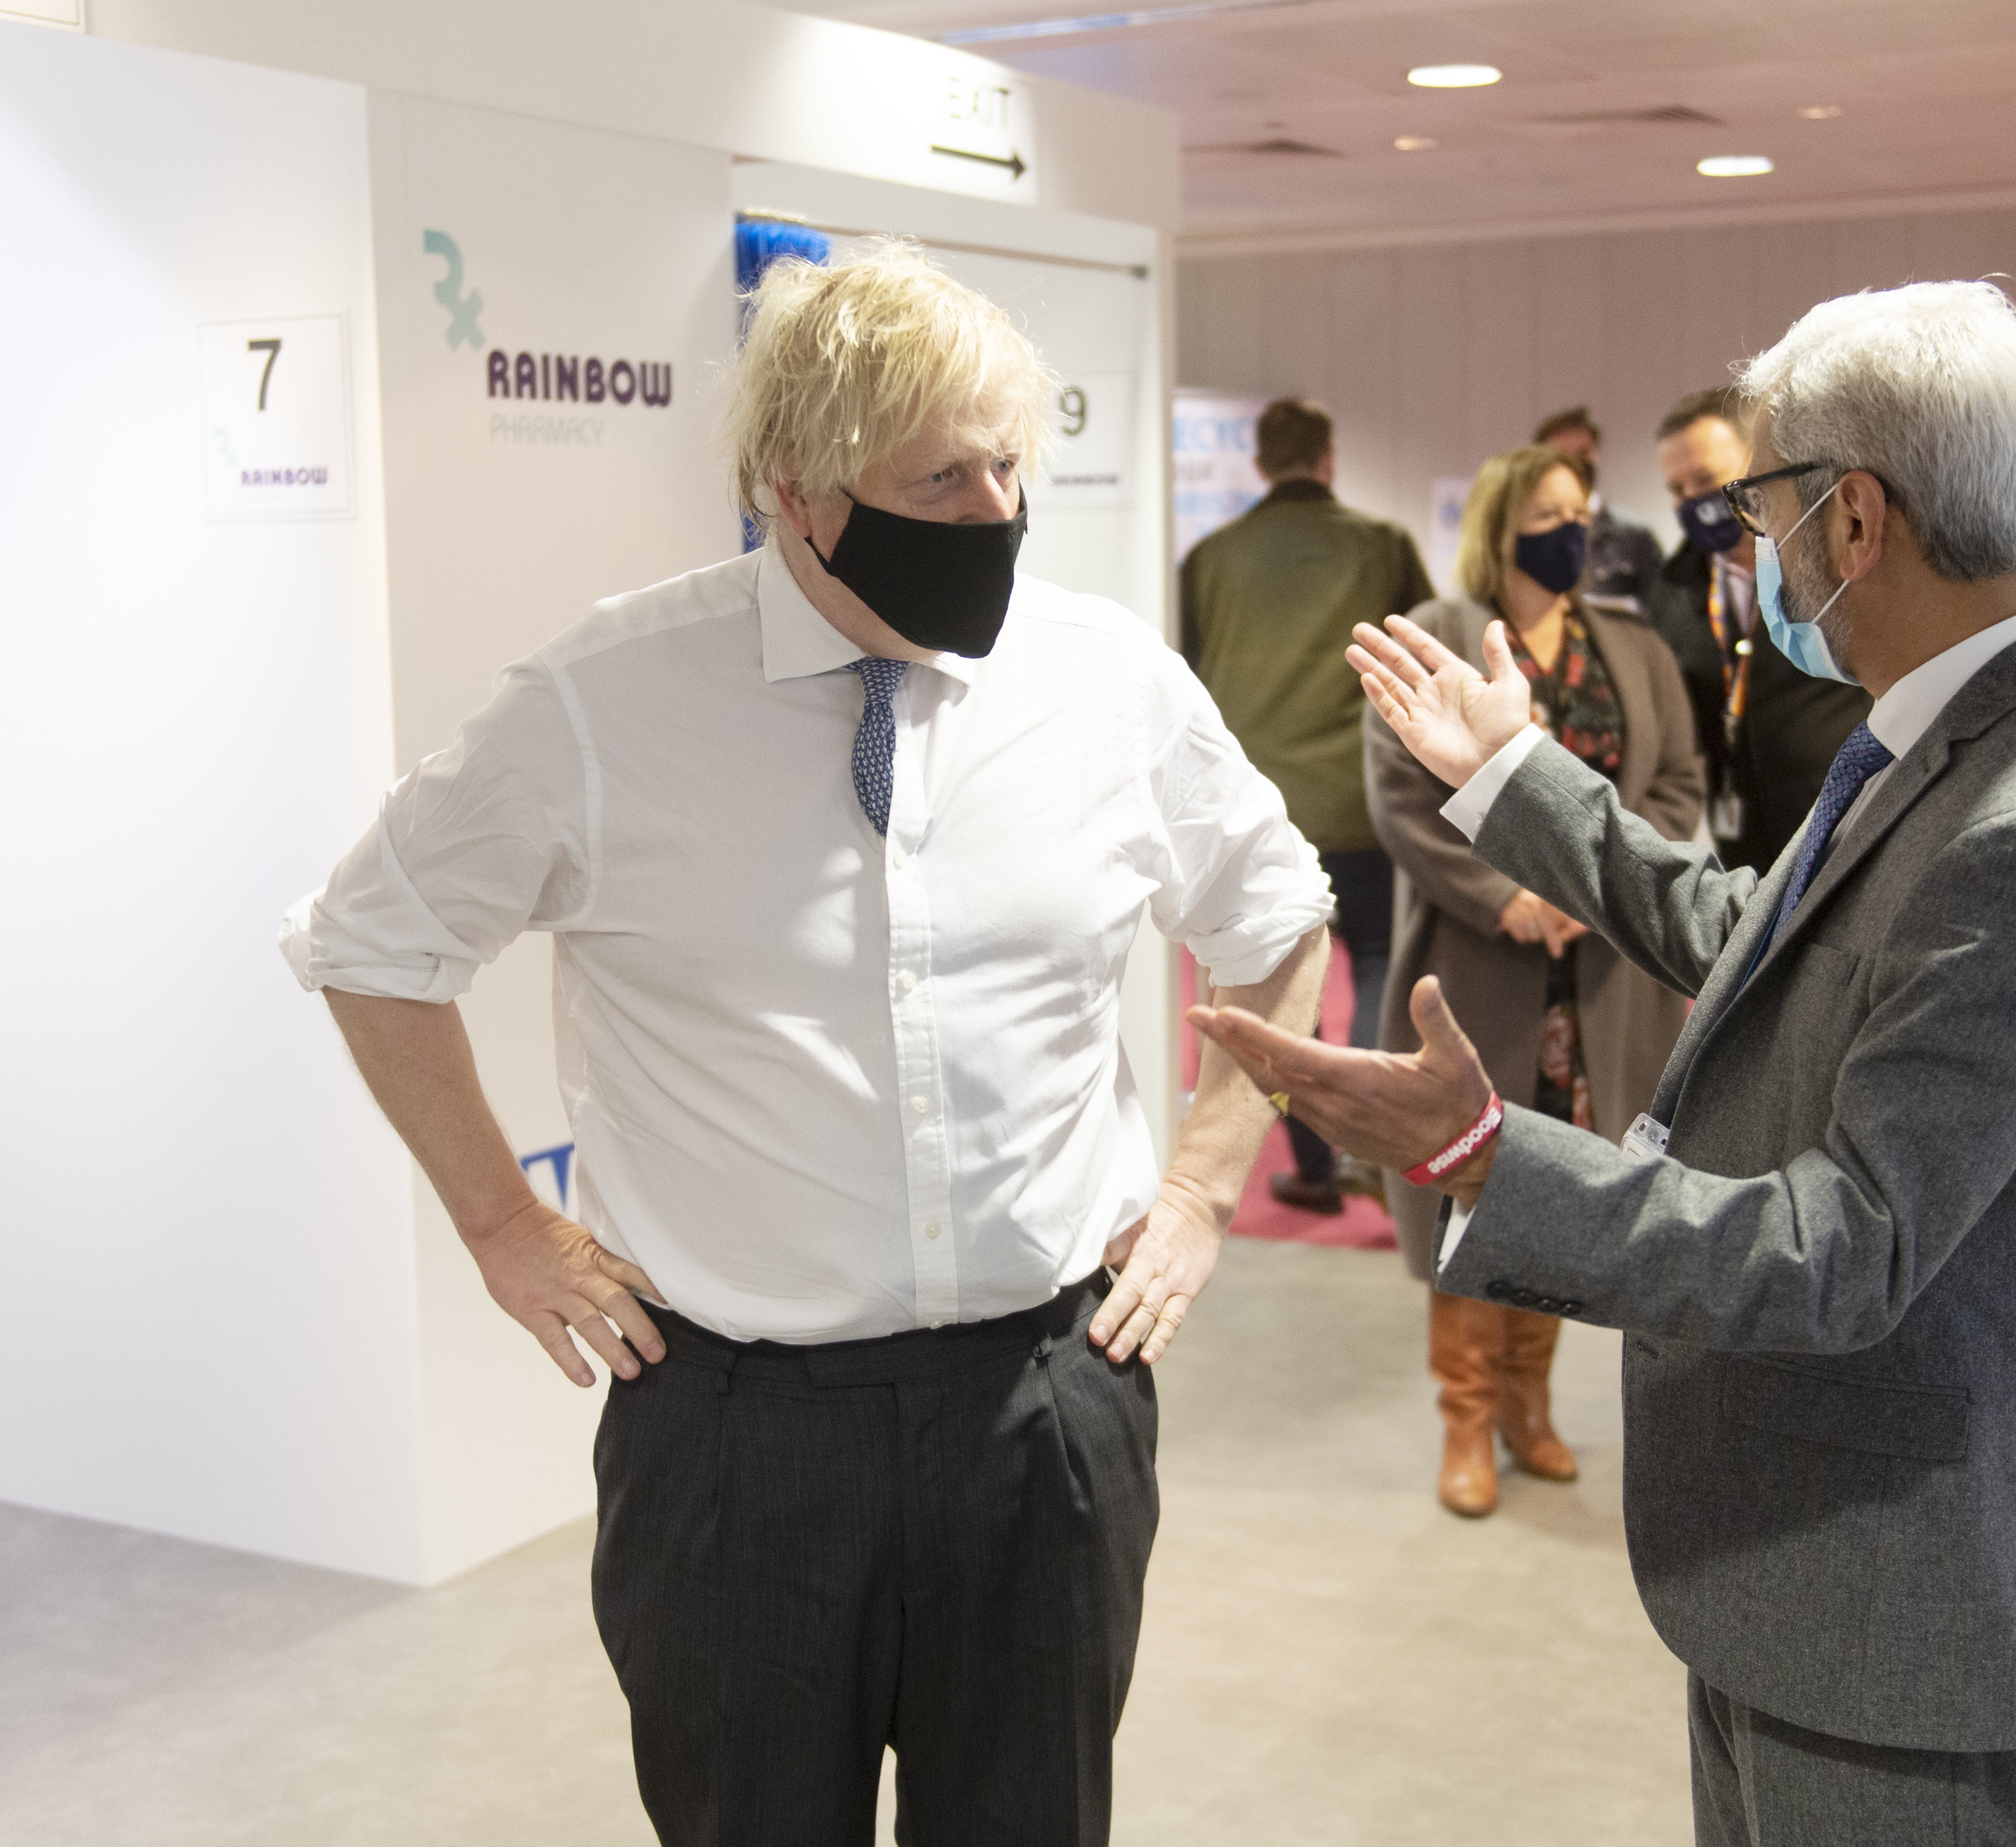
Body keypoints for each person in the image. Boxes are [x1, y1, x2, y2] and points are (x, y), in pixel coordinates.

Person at [280, 242, 1333, 1847]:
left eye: (1007, 464)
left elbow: (1273, 915)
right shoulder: (601, 703)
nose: (991, 511)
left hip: (1043, 1404)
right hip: (734, 1442)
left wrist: (1197, 1185)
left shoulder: (1104, 681)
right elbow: (368, 942)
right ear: (797, 487)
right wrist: (502, 1224)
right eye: (940, 475)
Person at [1198, 281, 2016, 1846]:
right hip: (1795, 1588)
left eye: (1760, 513)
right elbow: (1755, 929)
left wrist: (1480, 1156)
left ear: (1851, 518)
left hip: (1890, 1622)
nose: (1746, 557)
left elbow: (1842, 1247)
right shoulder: (1935, 743)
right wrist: (1518, 775)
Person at [1367, 443, 1703, 1518]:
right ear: (1503, 525)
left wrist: (1603, 888)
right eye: (1553, 511)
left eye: (1584, 510)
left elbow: (1676, 783)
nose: (1577, 528)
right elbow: (1399, 795)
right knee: (1471, 1177)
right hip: (1483, 966)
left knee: (1562, 1177)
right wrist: (1507, 896)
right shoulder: (1444, 629)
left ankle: (1530, 1405)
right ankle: (1465, 1418)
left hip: (1601, 972)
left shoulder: (1632, 646)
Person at [1181, 396, 1433, 1214]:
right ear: (1327, 457)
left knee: (1281, 991)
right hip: (1364, 801)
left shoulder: (1211, 559)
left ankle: (1319, 1164)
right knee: (1375, 965)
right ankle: (1365, 1142)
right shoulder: (1384, 545)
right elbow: (1427, 655)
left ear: (1260, 462)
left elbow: (1185, 679)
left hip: (1260, 813)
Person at [1647, 389, 1874, 873]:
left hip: (1843, 834)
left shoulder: (1831, 570)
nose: (1692, 502)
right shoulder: (1671, 591)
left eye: (1706, 480)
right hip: (1740, 850)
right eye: (1677, 489)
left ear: (1754, 465)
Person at [1534, 405, 1664, 615]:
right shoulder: (1529, 536)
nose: (1575, 464)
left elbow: (1660, 614)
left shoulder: (1635, 537)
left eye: (1583, 454)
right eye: (1562, 456)